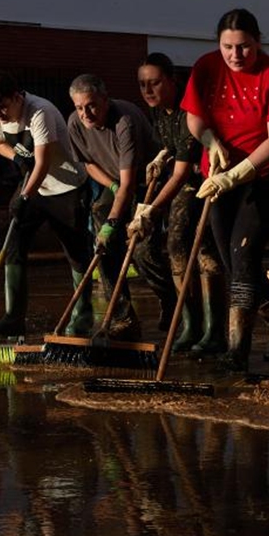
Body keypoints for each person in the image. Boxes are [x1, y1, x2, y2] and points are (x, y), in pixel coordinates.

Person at [183, 8, 269, 371]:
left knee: (244, 254)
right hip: (217, 172)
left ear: (258, 42)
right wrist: (209, 139)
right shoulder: (205, 67)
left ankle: (237, 349)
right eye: (228, 47)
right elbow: (194, 116)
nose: (235, 55)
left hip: (265, 174)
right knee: (234, 263)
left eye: (244, 47)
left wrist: (238, 174)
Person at [0, 71, 93, 338]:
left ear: (18, 97)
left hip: (67, 187)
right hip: (35, 185)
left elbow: (42, 163)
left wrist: (24, 196)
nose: (0, 114)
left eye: (4, 107)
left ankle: (82, 317)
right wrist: (16, 158)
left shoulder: (40, 111)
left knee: (75, 251)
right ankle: (13, 317)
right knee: (14, 244)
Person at [130, 53, 227, 354]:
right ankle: (190, 323)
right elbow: (172, 150)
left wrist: (150, 210)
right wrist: (162, 155)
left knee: (202, 250)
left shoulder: (187, 110)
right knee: (176, 249)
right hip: (186, 183)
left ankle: (214, 331)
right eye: (143, 84)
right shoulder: (160, 111)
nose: (148, 90)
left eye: (155, 83)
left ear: (172, 81)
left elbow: (183, 172)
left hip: (207, 183)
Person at [67, 73, 175, 340]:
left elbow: (129, 185)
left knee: (142, 251)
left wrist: (112, 224)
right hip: (116, 181)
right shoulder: (75, 123)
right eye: (79, 108)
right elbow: (88, 164)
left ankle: (171, 300)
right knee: (104, 249)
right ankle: (123, 317)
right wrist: (111, 187)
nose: (85, 114)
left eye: (91, 105)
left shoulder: (124, 120)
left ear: (105, 100)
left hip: (145, 181)